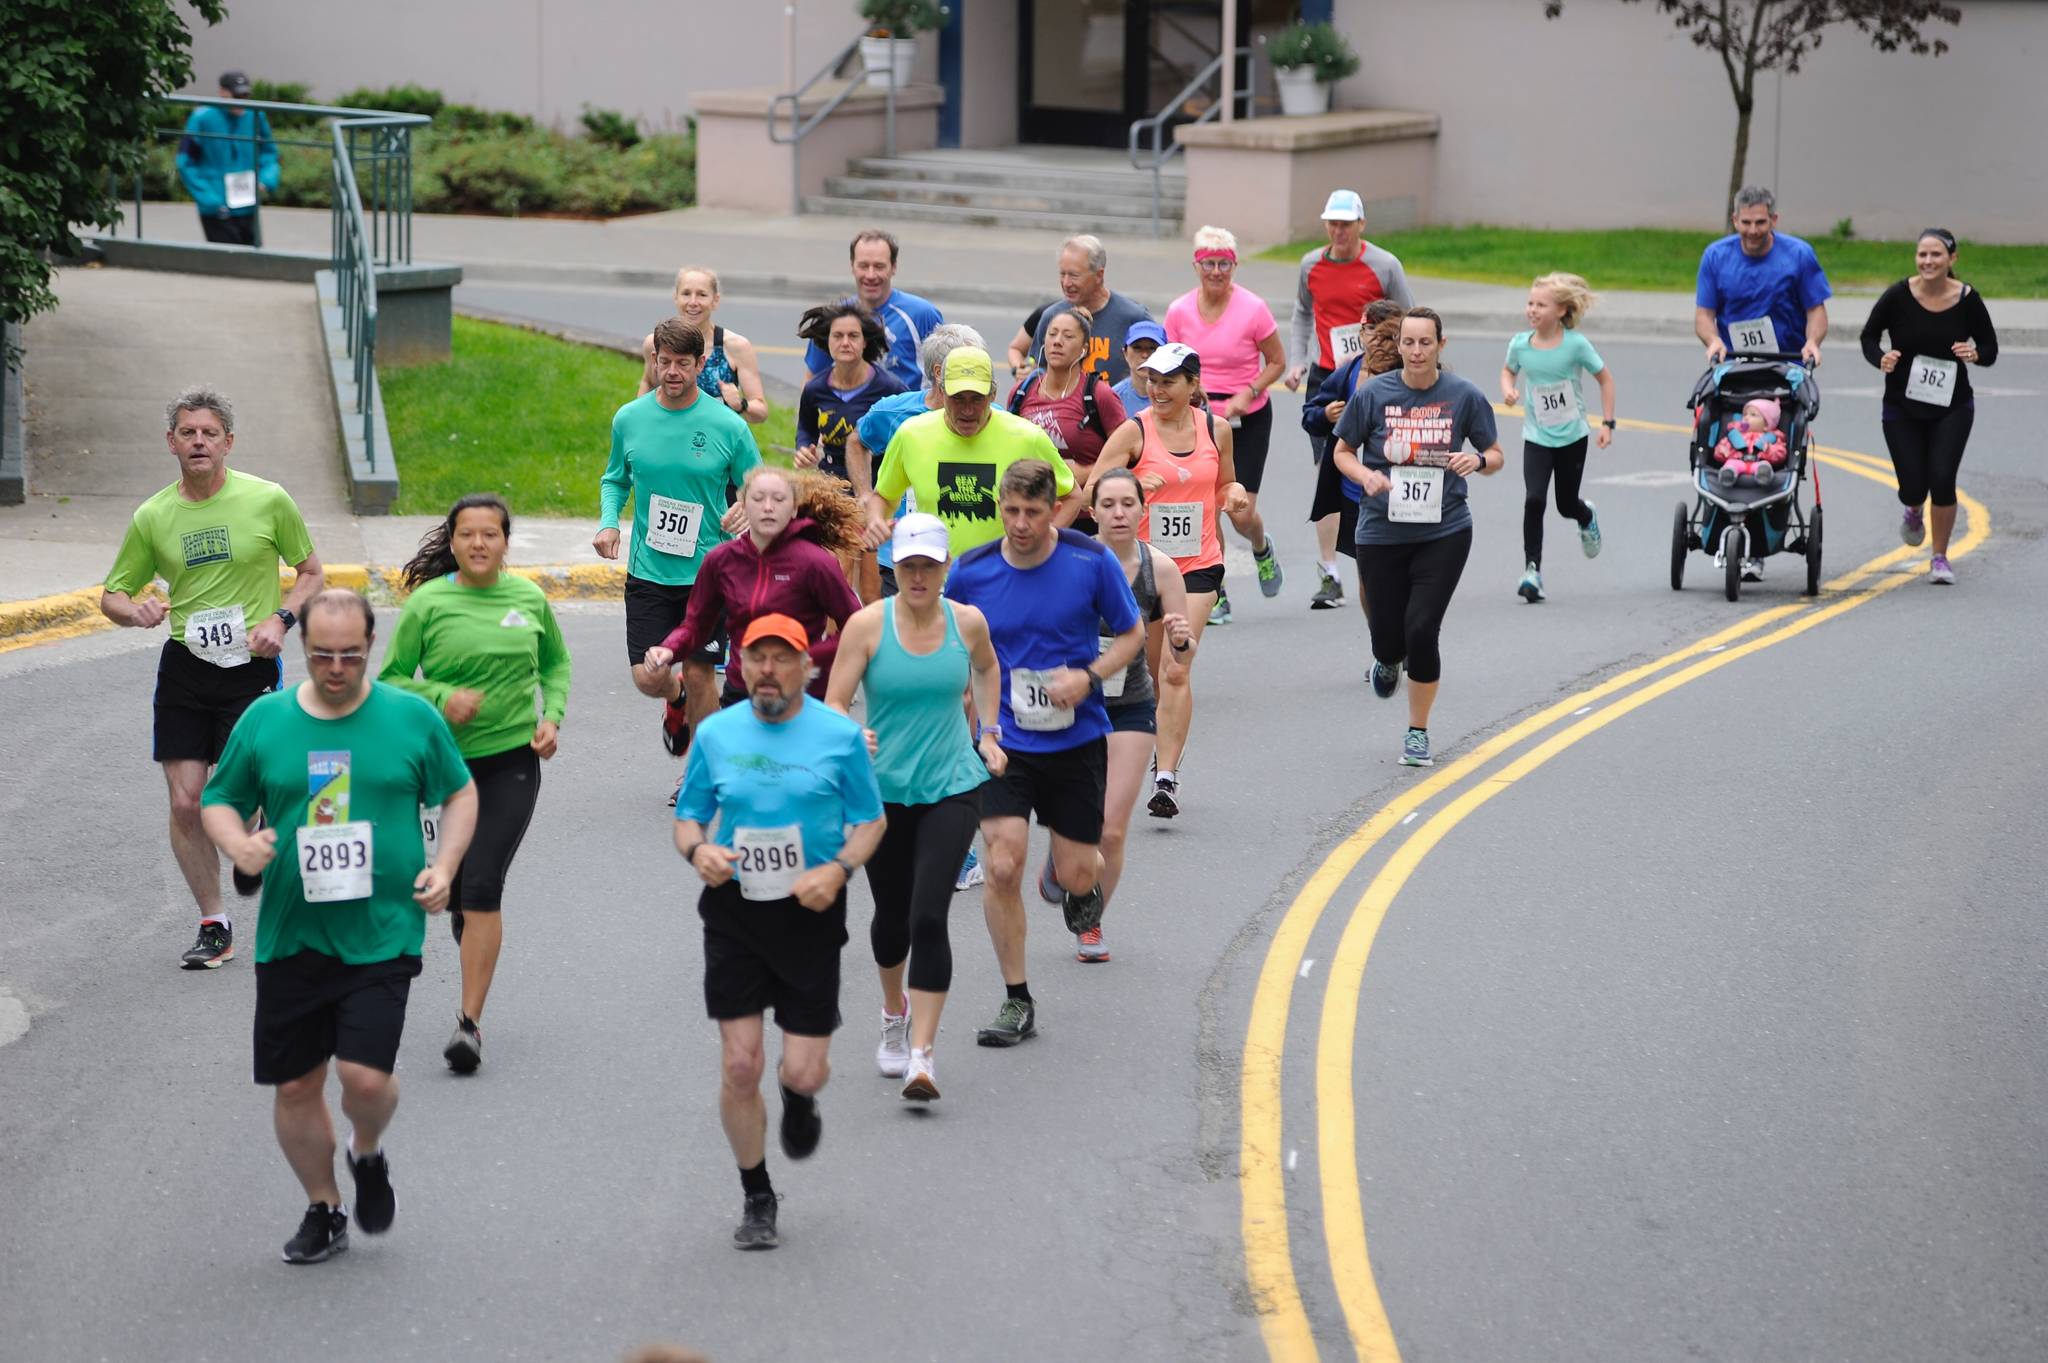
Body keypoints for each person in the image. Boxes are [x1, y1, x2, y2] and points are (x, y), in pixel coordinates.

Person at [199, 588, 478, 1264]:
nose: (335, 667)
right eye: (322, 654)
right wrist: (237, 845)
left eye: (349, 654)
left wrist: (443, 866)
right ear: (303, 649)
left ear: (370, 646)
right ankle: (324, 1206)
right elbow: (219, 799)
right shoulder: (266, 720)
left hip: (384, 930)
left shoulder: (411, 719)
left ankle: (367, 1149)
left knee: (365, 1079)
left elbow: (460, 791)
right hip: (291, 934)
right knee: (296, 1085)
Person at [673, 614, 886, 1251]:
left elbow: (870, 822)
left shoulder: (838, 737)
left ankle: (798, 1098)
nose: (767, 669)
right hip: (735, 911)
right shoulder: (714, 733)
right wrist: (698, 854)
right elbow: (689, 820)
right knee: (741, 1065)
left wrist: (841, 869)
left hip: (810, 911)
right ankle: (756, 1194)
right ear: (740, 666)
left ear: (806, 668)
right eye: (755, 657)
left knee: (804, 1071)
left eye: (781, 658)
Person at [100, 386, 325, 970]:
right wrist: (135, 611)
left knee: (237, 799)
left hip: (250, 664)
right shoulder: (154, 516)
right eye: (187, 432)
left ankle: (254, 837)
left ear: (228, 442)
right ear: (170, 443)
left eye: (209, 433)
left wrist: (281, 619)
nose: (198, 441)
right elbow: (113, 596)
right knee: (185, 804)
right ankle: (213, 923)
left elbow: (310, 573)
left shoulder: (268, 500)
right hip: (184, 666)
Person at [944, 460, 1144, 1047]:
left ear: (1055, 508)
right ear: (999, 506)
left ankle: (1071, 877)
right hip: (1004, 741)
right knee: (1001, 863)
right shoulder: (973, 571)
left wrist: (1089, 675)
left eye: (1034, 512)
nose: (1021, 524)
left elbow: (1131, 634)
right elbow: (949, 645)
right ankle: (1016, 999)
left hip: (1076, 739)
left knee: (1082, 874)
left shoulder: (1089, 560)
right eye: (1011, 511)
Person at [379, 495, 571, 1073]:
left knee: (483, 884)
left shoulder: (529, 598)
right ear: (454, 541)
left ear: (506, 542)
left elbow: (556, 666)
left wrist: (551, 717)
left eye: (491, 534)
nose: (480, 544)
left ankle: (468, 1024)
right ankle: (468, 921)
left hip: (511, 760)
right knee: (461, 895)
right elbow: (389, 680)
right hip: (442, 769)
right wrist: (440, 697)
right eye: (469, 535)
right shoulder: (430, 603)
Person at [825, 514, 1005, 1099]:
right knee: (892, 919)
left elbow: (987, 668)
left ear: (946, 567)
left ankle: (923, 1055)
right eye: (908, 566)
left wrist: (991, 732)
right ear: (895, 567)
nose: (919, 576)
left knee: (930, 914)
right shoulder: (867, 626)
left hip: (952, 783)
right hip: (881, 790)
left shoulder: (968, 623)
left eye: (929, 565)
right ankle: (891, 1013)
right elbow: (834, 702)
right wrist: (852, 734)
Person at [847, 323, 995, 892]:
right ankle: (916, 811)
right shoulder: (901, 417)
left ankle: (955, 811)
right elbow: (858, 444)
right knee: (920, 692)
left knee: (963, 691)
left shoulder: (990, 423)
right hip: (902, 566)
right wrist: (869, 503)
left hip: (972, 576)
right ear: (938, 376)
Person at [1331, 308, 1504, 768]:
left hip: (1444, 529)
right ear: (1400, 344)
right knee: (1387, 634)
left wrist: (1479, 462)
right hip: (1380, 530)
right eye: (1409, 342)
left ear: (1440, 346)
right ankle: (1386, 659)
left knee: (1422, 629)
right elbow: (1342, 451)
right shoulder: (1373, 394)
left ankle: (1417, 731)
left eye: (1425, 342)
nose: (1416, 351)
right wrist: (1365, 476)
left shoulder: (1463, 395)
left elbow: (1495, 452)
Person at [596, 318, 758, 799]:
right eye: (663, 362)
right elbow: (615, 479)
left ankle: (701, 774)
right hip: (648, 570)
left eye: (681, 364)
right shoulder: (630, 418)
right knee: (649, 676)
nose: (670, 372)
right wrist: (609, 521)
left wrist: (746, 507)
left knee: (702, 670)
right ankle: (676, 699)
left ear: (699, 364)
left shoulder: (727, 425)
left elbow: (756, 484)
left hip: (709, 571)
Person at [1087, 343, 1245, 818]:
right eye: (1151, 380)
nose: (1156, 389)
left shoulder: (1215, 430)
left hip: (1197, 565)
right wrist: (1135, 489)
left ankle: (1166, 777)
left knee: (1177, 665)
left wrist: (1234, 496)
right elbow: (1093, 491)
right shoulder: (1133, 432)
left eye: (1168, 381)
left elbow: (1226, 484)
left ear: (1193, 386)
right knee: (1151, 672)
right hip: (1143, 566)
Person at [1077, 469, 1193, 960]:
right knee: (1076, 826)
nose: (1119, 512)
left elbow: (1181, 661)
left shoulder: (1160, 569)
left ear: (1143, 510)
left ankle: (1091, 921)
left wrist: (1182, 639)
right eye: (1109, 504)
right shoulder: (1071, 562)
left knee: (1112, 829)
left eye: (1128, 503)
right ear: (1093, 511)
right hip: (1072, 706)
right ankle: (1067, 865)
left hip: (1130, 705)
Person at [1284, 190, 1414, 609]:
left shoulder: (1384, 264)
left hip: (1381, 373)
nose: (1338, 231)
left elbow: (1409, 317)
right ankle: (1330, 572)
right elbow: (1303, 312)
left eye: (1346, 223)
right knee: (1329, 468)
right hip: (1332, 374)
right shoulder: (1311, 265)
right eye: (1332, 223)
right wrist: (1298, 361)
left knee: (1381, 462)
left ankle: (1390, 553)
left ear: (1361, 224)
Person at [642, 466, 865, 706]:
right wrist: (669, 649)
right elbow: (696, 625)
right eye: (758, 499)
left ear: (793, 509)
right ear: (744, 506)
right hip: (742, 689)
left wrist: (808, 659)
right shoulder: (721, 561)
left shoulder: (815, 562)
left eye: (778, 499)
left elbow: (856, 626)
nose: (768, 507)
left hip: (801, 693)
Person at [1860, 228, 1998, 584]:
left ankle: (1939, 557)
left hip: (1952, 404)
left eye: (1936, 255)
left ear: (1952, 259)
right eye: (1922, 254)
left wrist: (1976, 354)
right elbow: (1869, 336)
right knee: (1913, 485)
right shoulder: (1898, 295)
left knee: (1942, 477)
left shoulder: (1967, 299)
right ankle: (1912, 508)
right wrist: (1881, 358)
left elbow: (1989, 347)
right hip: (1901, 406)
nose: (1928, 261)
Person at [1165, 225, 1288, 623]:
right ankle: (1216, 591)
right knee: (1207, 508)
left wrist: (1247, 393)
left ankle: (1260, 546)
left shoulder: (1253, 309)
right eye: (1208, 264)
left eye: (1224, 264)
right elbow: (1170, 365)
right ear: (1196, 266)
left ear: (1234, 266)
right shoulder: (1180, 310)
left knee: (1240, 512)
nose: (1216, 271)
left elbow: (1277, 362)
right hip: (1200, 416)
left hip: (1247, 418)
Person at [867, 346, 1081, 555]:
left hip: (1003, 580)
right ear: (941, 392)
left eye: (977, 398)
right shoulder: (911, 434)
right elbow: (884, 496)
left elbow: (1071, 496)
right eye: (958, 398)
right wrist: (876, 520)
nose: (967, 410)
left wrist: (1041, 545)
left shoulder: (1027, 437)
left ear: (993, 395)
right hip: (938, 582)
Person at [1500, 272, 1614, 603]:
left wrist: (1608, 423)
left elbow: (1605, 380)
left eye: (1541, 305)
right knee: (1534, 499)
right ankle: (1531, 570)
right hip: (1536, 435)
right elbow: (1509, 370)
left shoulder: (1575, 344)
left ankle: (1585, 515)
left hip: (1572, 436)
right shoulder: (1520, 344)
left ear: (1562, 310)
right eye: (1530, 303)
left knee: (1565, 504)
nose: (1532, 310)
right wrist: (1508, 389)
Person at [1305, 301, 1407, 584]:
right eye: (1369, 329)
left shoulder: (1411, 375)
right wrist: (1325, 414)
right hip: (1356, 491)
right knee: (1370, 573)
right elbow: (1310, 416)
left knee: (1398, 568)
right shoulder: (1348, 373)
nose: (1376, 338)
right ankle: (1380, 627)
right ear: (1360, 333)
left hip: (1399, 488)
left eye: (1385, 332)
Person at [1696, 187, 1832, 370]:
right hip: (1733, 365)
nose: (1753, 230)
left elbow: (1815, 309)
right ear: (1735, 221)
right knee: (1702, 398)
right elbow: (1704, 314)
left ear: (1773, 220)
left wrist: (1812, 342)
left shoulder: (1799, 255)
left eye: (1760, 222)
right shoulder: (1715, 256)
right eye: (1746, 222)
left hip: (1788, 364)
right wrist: (1713, 341)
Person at [1007, 304, 1129, 490]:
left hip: (1086, 514)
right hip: (1034, 511)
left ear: (1084, 349)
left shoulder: (1099, 395)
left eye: (1068, 336)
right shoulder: (1021, 392)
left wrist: (1084, 473)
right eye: (1052, 334)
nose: (1057, 341)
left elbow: (1124, 454)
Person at [1004, 235, 1153, 385]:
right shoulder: (1052, 317)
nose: (1066, 283)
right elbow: (1038, 370)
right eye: (1062, 274)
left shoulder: (1134, 317)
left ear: (1099, 275)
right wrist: (1024, 371)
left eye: (1074, 275)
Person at [805, 229, 944, 391]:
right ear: (852, 266)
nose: (870, 275)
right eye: (863, 266)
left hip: (907, 415)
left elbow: (946, 374)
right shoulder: (835, 319)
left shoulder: (922, 314)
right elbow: (812, 380)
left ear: (893, 267)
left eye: (879, 266)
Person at [637, 266, 769, 425]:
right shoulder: (655, 344)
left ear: (715, 300)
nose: (693, 302)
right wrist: (639, 424)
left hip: (716, 443)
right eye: (686, 294)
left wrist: (741, 404)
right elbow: (649, 384)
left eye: (702, 294)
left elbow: (761, 412)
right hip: (668, 437)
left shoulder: (736, 347)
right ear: (676, 297)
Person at [176, 71, 278, 248]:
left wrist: (266, 180)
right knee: (228, 261)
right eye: (237, 95)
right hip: (216, 206)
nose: (241, 101)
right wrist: (209, 199)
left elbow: (269, 152)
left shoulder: (255, 115)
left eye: (245, 95)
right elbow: (185, 161)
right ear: (222, 93)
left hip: (247, 203)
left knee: (252, 260)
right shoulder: (202, 118)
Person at [1709, 398, 1786, 486]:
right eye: (1745, 414)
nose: (1746, 417)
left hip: (1759, 461)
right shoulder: (1735, 435)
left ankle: (1763, 475)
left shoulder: (1771, 438)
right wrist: (1723, 451)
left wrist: (1769, 449)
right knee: (1730, 464)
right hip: (1737, 461)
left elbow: (1780, 454)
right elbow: (1721, 448)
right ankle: (1728, 475)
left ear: (1766, 425)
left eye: (1753, 415)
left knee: (1764, 465)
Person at [1111, 319, 1167, 416]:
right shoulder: (1114, 397)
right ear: (1125, 353)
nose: (1145, 355)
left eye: (1152, 348)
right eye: (1137, 347)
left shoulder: (1178, 394)